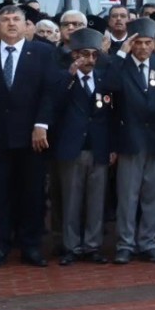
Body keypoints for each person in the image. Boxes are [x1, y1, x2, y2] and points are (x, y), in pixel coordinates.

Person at [0, 5, 58, 269]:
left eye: (17, 19)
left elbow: (50, 92)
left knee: (32, 194)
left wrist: (41, 125)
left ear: (27, 24)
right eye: (5, 20)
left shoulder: (43, 53)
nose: (11, 24)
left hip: (32, 138)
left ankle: (30, 246)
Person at [109, 20, 155, 265]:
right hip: (130, 139)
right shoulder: (121, 65)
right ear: (131, 43)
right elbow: (109, 85)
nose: (144, 47)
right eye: (139, 43)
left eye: (149, 43)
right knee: (128, 196)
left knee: (154, 195)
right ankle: (125, 244)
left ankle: (149, 243)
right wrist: (120, 54)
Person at [51, 28, 114, 265]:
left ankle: (93, 245)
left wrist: (111, 147)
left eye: (93, 55)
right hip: (71, 148)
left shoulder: (103, 79)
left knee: (96, 200)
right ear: (74, 54)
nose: (88, 60)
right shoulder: (61, 78)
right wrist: (70, 74)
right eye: (83, 54)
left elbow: (111, 115)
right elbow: (54, 105)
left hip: (98, 148)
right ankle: (70, 246)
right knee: (71, 200)